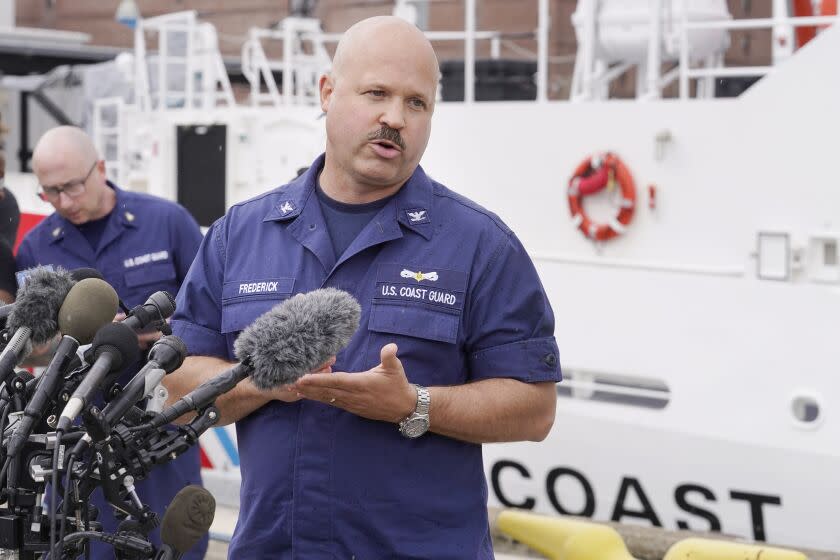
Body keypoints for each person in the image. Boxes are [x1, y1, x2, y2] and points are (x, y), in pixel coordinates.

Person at [167, 15, 560, 558]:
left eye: (416, 103)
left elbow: (534, 409)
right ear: (328, 92)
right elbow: (177, 388)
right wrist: (268, 383)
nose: (394, 118)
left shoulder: (480, 245)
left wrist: (414, 404)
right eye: (376, 93)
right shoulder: (241, 234)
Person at [15, 126, 207, 560]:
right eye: (50, 193)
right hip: (80, 431)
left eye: (72, 186)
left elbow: (208, 313)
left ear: (100, 168)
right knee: (83, 543)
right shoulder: (36, 248)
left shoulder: (168, 223)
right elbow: (34, 347)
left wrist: (155, 334)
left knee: (173, 542)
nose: (64, 201)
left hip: (161, 423)